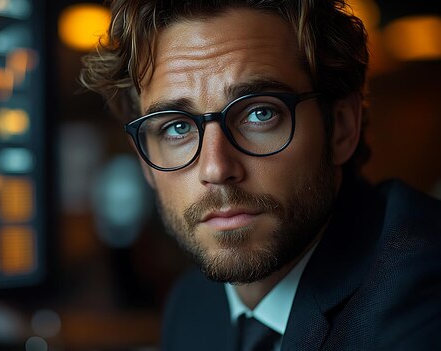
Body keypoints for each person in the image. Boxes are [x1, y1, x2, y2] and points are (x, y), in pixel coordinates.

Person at [80, 0, 441, 350]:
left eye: (259, 114)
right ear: (145, 162)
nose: (216, 169)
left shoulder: (420, 297)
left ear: (341, 128)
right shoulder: (193, 304)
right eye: (176, 127)